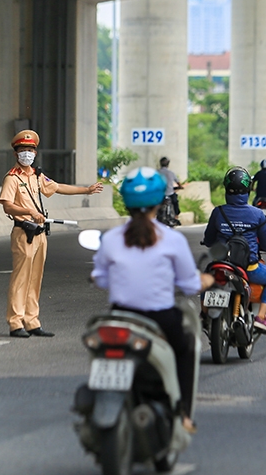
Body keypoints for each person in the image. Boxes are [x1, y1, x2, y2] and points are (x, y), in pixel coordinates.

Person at [91, 167, 214, 434]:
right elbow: (189, 283)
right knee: (187, 347)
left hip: (120, 316)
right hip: (160, 319)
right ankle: (181, 414)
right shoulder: (171, 239)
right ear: (160, 201)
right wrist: (204, 281)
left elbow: (101, 278)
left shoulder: (111, 239)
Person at [0, 130, 104, 338]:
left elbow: (57, 187)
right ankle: (15, 323)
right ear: (15, 154)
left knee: (35, 278)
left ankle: (32, 321)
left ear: (35, 153)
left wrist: (86, 190)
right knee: (21, 279)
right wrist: (28, 211)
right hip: (23, 232)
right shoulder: (11, 178)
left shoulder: (37, 176)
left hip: (40, 233)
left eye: (30, 150)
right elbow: (8, 207)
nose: (26, 154)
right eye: (22, 150)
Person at [203, 167, 266, 335]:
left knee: (206, 280)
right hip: (248, 268)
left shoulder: (218, 212)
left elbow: (209, 240)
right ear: (248, 190)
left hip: (221, 265)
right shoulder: (258, 214)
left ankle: (204, 314)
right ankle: (261, 317)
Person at [158, 157, 184, 226]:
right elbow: (178, 182)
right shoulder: (171, 173)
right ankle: (176, 216)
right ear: (168, 164)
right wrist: (180, 187)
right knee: (175, 202)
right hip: (170, 193)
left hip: (160, 194)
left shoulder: (157, 173)